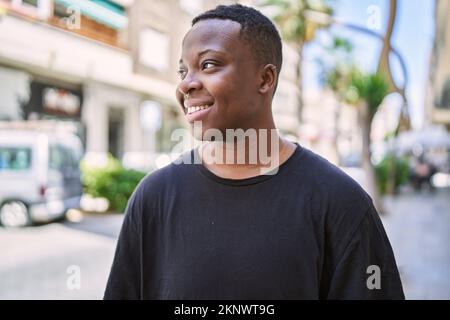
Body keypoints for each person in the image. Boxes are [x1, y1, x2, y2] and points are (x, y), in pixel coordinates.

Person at [104, 4, 404, 300]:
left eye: (208, 64)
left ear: (265, 79)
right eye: (183, 70)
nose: (186, 84)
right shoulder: (153, 198)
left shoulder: (341, 204)